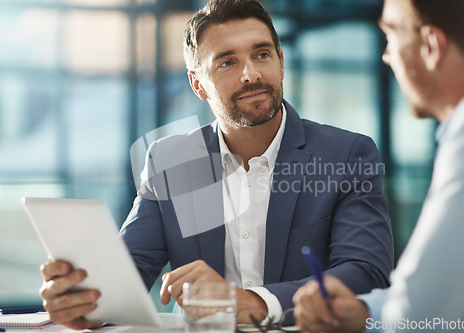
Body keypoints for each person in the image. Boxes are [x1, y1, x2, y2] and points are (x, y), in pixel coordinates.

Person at [38, 0, 394, 330]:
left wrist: (246, 302)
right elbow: (128, 273)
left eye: (262, 54)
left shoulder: (345, 155)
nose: (250, 74)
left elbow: (366, 272)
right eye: (227, 62)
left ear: (281, 62)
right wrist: (84, 299)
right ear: (198, 85)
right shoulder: (172, 162)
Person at [293, 0, 464, 332]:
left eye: (391, 34)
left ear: (432, 45)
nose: (386, 56)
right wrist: (364, 311)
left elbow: (422, 312)